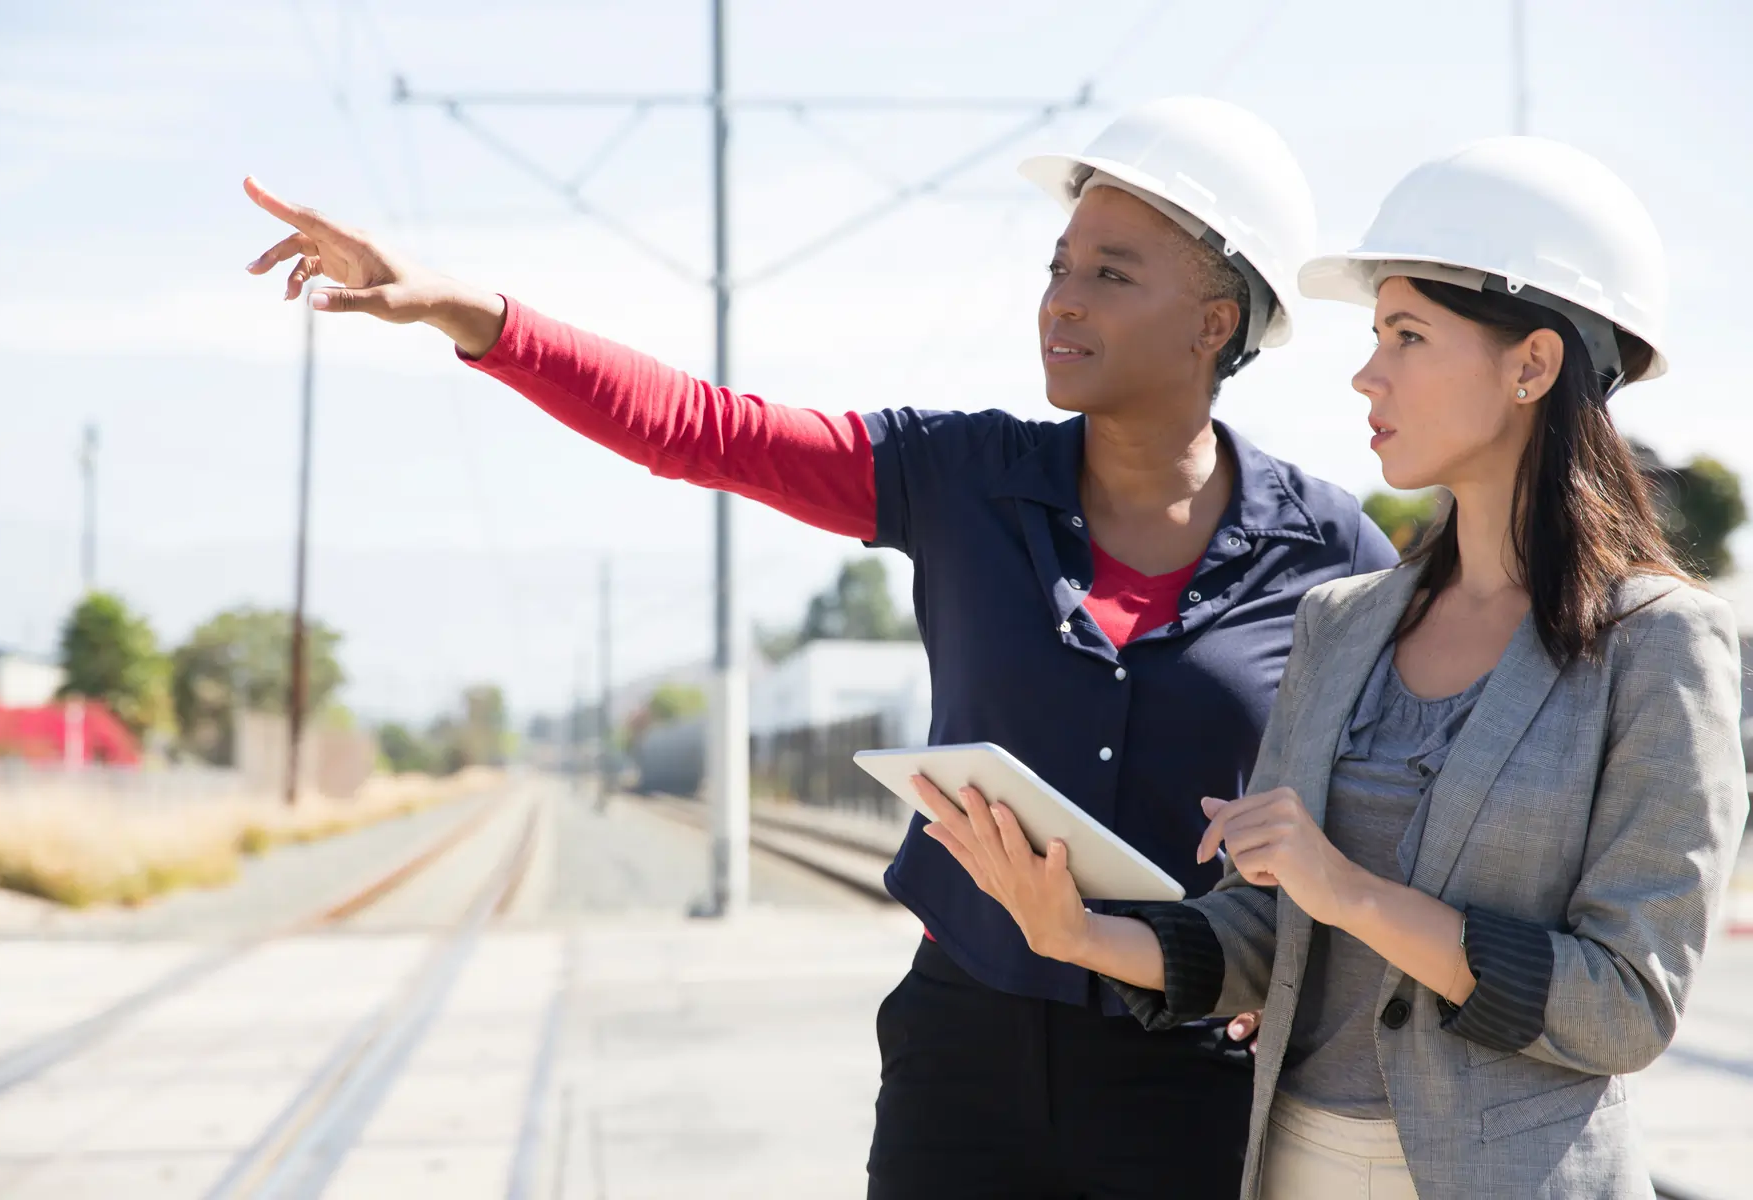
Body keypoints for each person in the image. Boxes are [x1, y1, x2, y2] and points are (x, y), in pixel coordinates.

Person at [243, 96, 1397, 1199]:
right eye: (1057, 266)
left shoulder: (1330, 551)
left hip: (1185, 1072)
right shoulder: (958, 479)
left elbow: (1394, 800)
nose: (1062, 301)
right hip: (967, 1052)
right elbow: (701, 430)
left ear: (1216, 323)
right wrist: (474, 315)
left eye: (1109, 274)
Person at [913, 135, 1748, 1200]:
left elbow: (1625, 1005)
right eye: (1373, 335)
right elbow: (1268, 936)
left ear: (1531, 364)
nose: (1366, 371)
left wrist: (1346, 888)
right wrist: (1080, 933)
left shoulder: (1661, 644)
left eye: (1407, 334)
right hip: (1295, 1163)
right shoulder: (1343, 623)